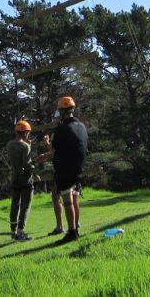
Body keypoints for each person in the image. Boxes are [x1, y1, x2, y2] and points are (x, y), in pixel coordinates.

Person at [50, 96, 88, 244]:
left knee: (67, 201)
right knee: (74, 197)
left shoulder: (61, 129)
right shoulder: (81, 126)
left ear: (61, 111)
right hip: (78, 167)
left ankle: (72, 233)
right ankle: (76, 229)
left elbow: (54, 150)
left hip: (65, 168)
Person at [6, 120, 35, 240]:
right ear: (25, 132)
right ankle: (20, 231)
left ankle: (13, 231)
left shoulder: (10, 144)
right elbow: (26, 164)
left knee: (14, 204)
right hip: (25, 179)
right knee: (25, 205)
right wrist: (34, 167)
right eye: (28, 132)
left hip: (14, 177)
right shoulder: (25, 146)